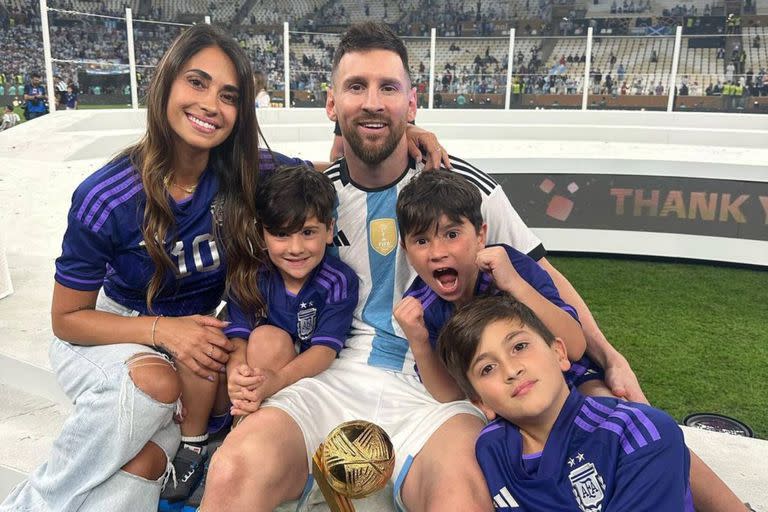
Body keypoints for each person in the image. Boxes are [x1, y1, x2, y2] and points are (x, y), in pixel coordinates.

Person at [200, 22, 632, 512]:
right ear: (331, 104)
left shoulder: (459, 188)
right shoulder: (314, 195)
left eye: (388, 88)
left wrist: (610, 357)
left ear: (412, 102)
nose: (372, 102)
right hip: (328, 371)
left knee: (461, 496)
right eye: (356, 87)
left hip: (437, 386)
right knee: (234, 470)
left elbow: (546, 278)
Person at [0, 24, 300, 512]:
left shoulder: (248, 173)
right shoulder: (108, 195)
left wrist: (405, 132)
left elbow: (326, 180)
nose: (210, 104)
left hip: (192, 338)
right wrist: (164, 331)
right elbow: (67, 319)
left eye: (229, 95)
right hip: (109, 328)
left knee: (144, 463)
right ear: (166, 83)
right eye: (197, 82)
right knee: (154, 387)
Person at [437, 295, 694, 511]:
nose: (511, 370)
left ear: (559, 353)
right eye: (488, 368)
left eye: (519, 346)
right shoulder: (490, 449)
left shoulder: (639, 431)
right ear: (481, 403)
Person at [393, 170, 613, 403]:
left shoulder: (513, 267)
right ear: (406, 250)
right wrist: (419, 343)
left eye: (452, 234)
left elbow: (575, 347)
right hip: (504, 407)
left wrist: (515, 285)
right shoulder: (421, 305)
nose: (437, 253)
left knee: (609, 410)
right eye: (421, 241)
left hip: (568, 379)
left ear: (480, 236)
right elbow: (451, 395)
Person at [224, 165, 359, 417]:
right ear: (261, 232)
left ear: (329, 230)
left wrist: (275, 381)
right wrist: (238, 373)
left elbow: (324, 351)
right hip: (259, 374)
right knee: (266, 339)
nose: (296, 248)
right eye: (281, 234)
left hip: (311, 379)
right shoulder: (251, 275)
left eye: (308, 233)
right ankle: (241, 425)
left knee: (268, 340)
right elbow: (237, 337)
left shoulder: (338, 280)